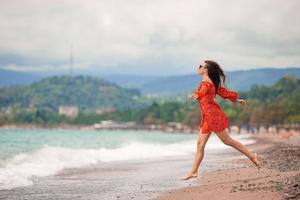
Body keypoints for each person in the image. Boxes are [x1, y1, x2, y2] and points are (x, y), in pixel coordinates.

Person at [181, 60, 261, 180]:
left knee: (227, 140)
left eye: (200, 66)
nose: (198, 67)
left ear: (206, 70)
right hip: (207, 117)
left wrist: (196, 94)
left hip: (213, 116)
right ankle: (193, 171)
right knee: (200, 144)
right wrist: (236, 100)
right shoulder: (210, 82)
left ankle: (252, 155)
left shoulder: (206, 83)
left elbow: (203, 90)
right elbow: (222, 92)